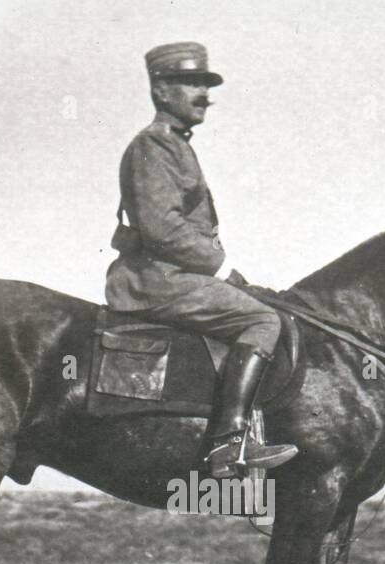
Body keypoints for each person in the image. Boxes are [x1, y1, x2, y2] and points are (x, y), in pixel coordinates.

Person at [105, 42, 298, 479]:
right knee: (264, 322)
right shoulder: (153, 146)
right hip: (156, 280)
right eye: (191, 83)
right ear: (160, 90)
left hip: (173, 275)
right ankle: (228, 444)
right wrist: (221, 268)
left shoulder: (174, 145)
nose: (203, 94)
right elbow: (160, 229)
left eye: (205, 84)